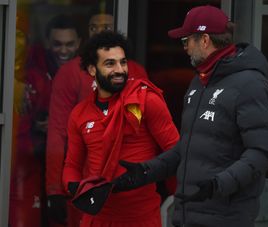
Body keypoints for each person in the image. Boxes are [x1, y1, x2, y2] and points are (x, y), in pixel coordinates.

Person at [113, 5, 268, 227]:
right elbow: (188, 148)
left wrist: (218, 185)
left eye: (186, 41)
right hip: (188, 213)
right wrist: (146, 170)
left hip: (225, 217)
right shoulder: (200, 81)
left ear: (205, 40)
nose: (185, 48)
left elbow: (261, 153)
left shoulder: (250, 84)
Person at [62, 31, 179, 227]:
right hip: (97, 217)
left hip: (140, 218)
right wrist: (76, 188)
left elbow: (176, 153)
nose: (120, 70)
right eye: (110, 64)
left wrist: (148, 175)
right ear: (92, 69)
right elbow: (72, 165)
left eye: (123, 62)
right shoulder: (79, 114)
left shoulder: (145, 100)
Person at [45, 11, 149, 227]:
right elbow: (57, 132)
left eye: (106, 27)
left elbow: (155, 134)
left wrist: (166, 181)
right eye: (94, 28)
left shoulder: (136, 72)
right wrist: (54, 189)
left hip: (130, 185)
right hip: (86, 183)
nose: (100, 33)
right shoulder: (70, 73)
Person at [9, 14, 81, 227]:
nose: (64, 50)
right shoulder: (33, 75)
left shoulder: (89, 73)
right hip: (31, 163)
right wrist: (37, 126)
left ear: (79, 43)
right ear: (48, 43)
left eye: (69, 44)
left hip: (70, 166)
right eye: (57, 44)